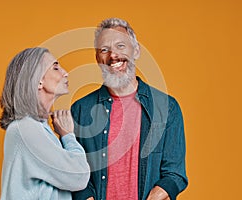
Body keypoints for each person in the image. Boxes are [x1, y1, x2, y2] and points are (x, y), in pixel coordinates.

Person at [71, 18, 188, 200]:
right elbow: (75, 173)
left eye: (120, 46)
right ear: (97, 58)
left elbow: (175, 175)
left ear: (136, 50)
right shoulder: (80, 110)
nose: (113, 56)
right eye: (104, 50)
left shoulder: (167, 108)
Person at [0, 47, 90, 200]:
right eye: (55, 67)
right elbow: (78, 176)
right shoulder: (26, 128)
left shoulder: (38, 127)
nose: (65, 72)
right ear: (38, 80)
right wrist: (68, 136)